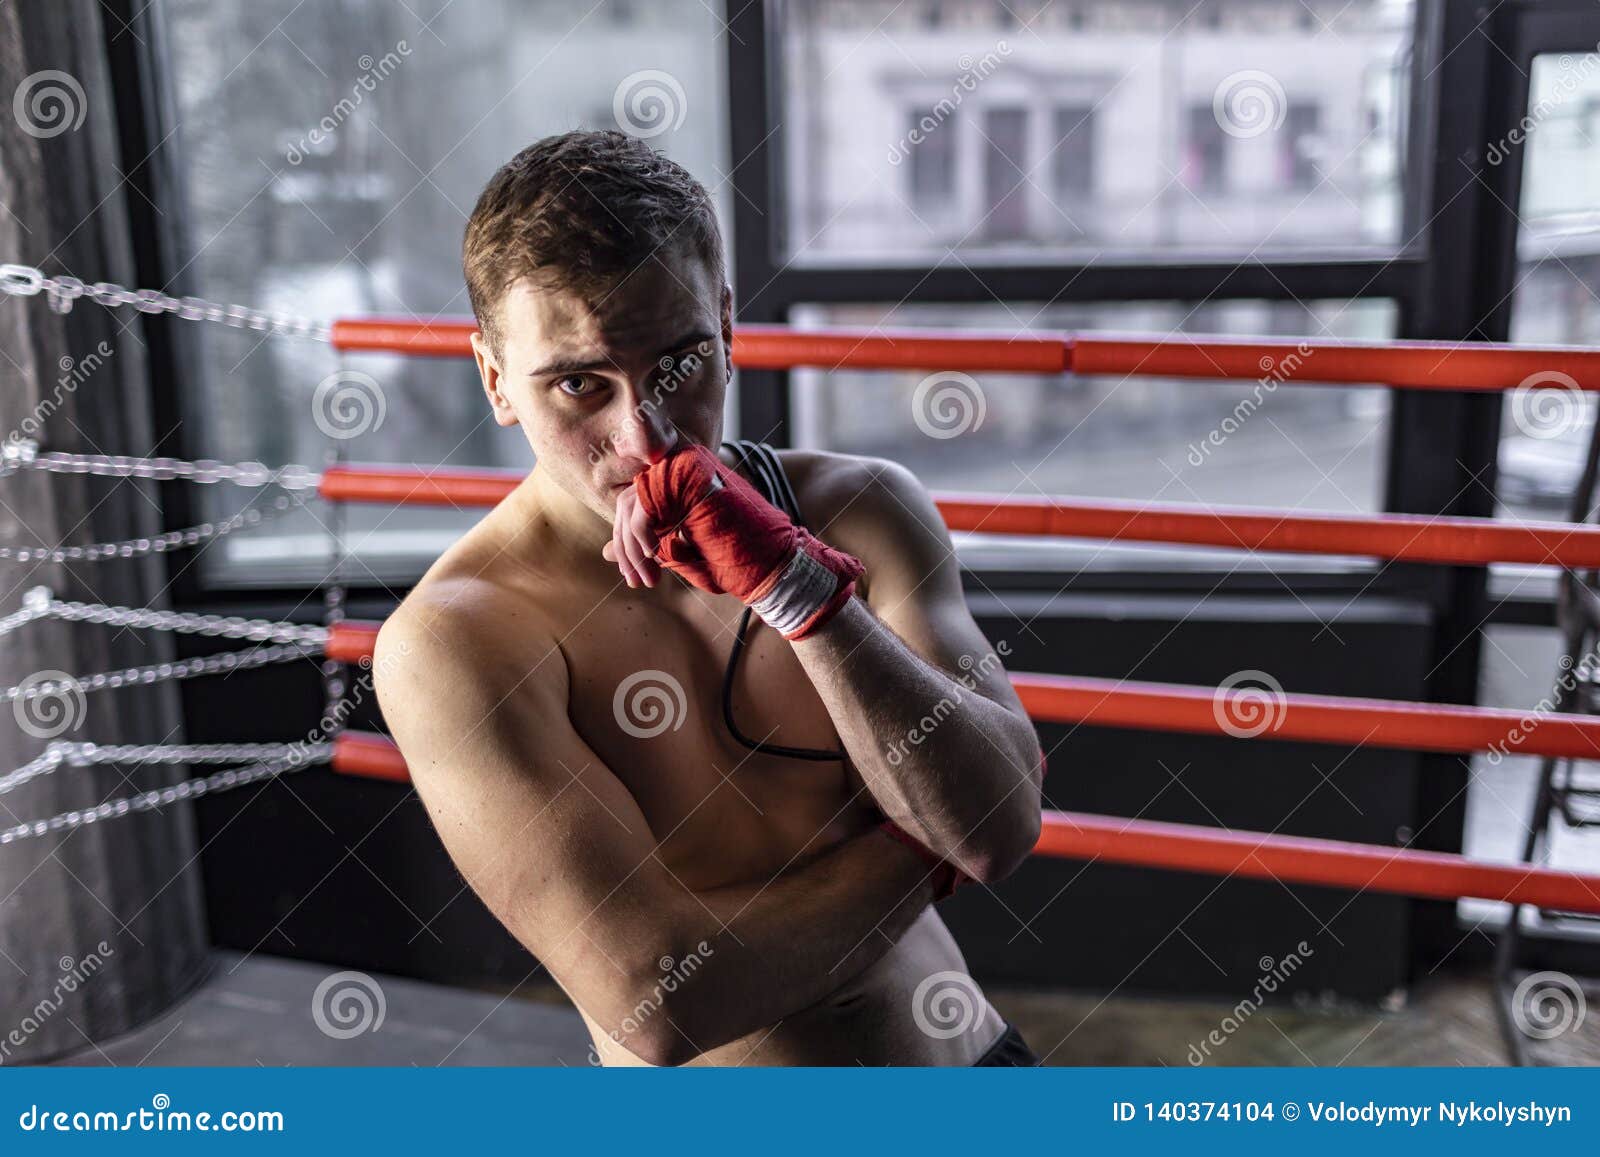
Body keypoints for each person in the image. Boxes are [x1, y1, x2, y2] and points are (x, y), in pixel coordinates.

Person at [373, 129, 1045, 1066]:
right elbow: (653, 1000)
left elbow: (1002, 816)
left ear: (727, 327)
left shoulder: (860, 508)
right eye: (579, 384)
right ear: (495, 378)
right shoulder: (460, 639)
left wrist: (800, 591)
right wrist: (933, 846)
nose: (645, 439)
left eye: (678, 366)